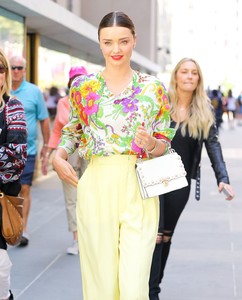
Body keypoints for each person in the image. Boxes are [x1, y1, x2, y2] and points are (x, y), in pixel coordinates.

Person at [52, 11, 176, 300]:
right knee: (101, 284)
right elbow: (72, 133)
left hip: (140, 184)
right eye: (108, 42)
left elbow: (165, 144)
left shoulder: (153, 88)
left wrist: (150, 145)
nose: (116, 49)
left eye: (123, 41)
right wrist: (58, 157)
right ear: (99, 43)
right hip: (96, 183)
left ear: (134, 40)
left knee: (134, 286)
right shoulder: (84, 88)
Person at [149, 57, 235, 300]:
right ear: (176, 76)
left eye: (193, 73)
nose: (189, 76)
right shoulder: (159, 105)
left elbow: (214, 146)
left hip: (180, 182)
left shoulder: (203, 113)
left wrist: (223, 177)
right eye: (184, 72)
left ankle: (154, 285)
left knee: (166, 236)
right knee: (154, 236)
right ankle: (150, 292)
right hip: (153, 178)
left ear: (198, 79)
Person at [42, 66, 89, 255]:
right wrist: (49, 154)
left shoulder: (94, 102)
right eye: (74, 80)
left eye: (81, 79)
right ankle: (77, 239)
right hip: (68, 153)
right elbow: (57, 130)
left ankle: (90, 236)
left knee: (89, 194)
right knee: (71, 197)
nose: (78, 83)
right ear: (69, 83)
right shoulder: (63, 102)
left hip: (88, 153)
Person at [10, 55, 50, 247]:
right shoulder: (2, 89)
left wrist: (47, 148)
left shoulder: (34, 92)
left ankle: (23, 230)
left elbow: (44, 120)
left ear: (24, 70)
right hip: (4, 150)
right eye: (12, 67)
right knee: (7, 190)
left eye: (19, 67)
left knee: (24, 188)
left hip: (28, 150)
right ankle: (9, 225)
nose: (16, 71)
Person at [0, 49, 27, 300]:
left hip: (1, 199)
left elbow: (16, 159)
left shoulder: (12, 107)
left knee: (0, 267)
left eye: (0, 68)